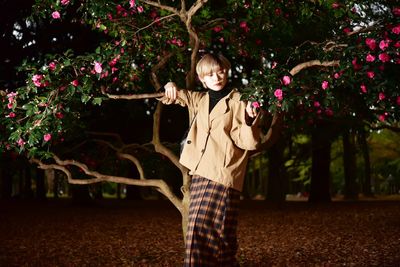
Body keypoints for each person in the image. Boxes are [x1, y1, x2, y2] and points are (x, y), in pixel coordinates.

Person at [162, 53, 261, 266]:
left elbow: (249, 142)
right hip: (200, 173)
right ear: (202, 79)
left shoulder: (240, 100)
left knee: (202, 232)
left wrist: (250, 119)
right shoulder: (201, 99)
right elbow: (175, 95)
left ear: (226, 71)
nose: (217, 77)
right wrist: (170, 84)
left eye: (220, 71)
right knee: (219, 238)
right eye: (210, 74)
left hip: (222, 174)